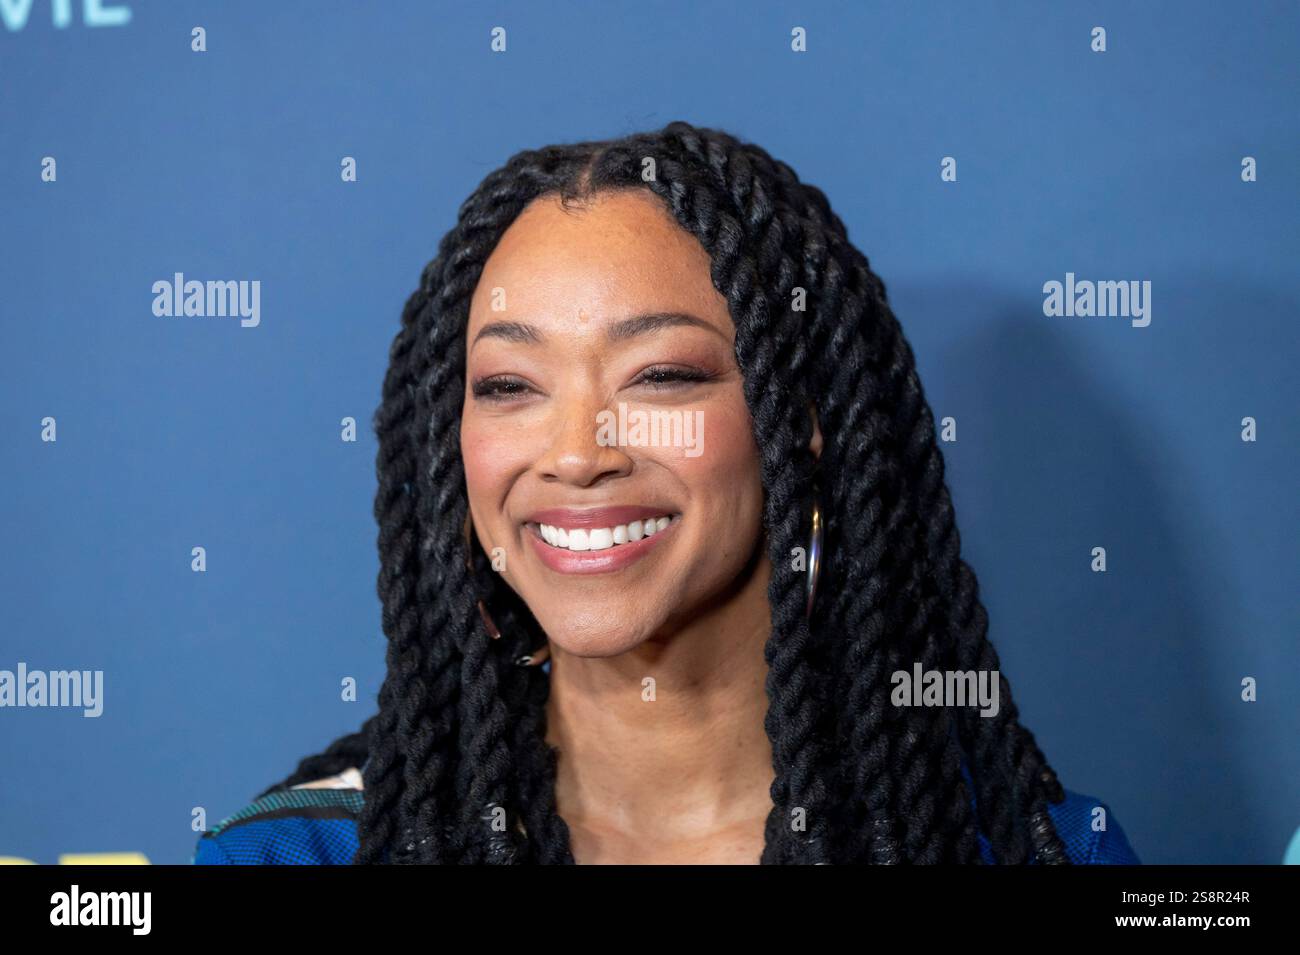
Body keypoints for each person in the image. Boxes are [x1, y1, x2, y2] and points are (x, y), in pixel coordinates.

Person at [193, 121, 1140, 865]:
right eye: (510, 387)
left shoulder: (1018, 845)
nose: (576, 454)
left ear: (800, 424)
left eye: (660, 377)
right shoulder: (298, 853)